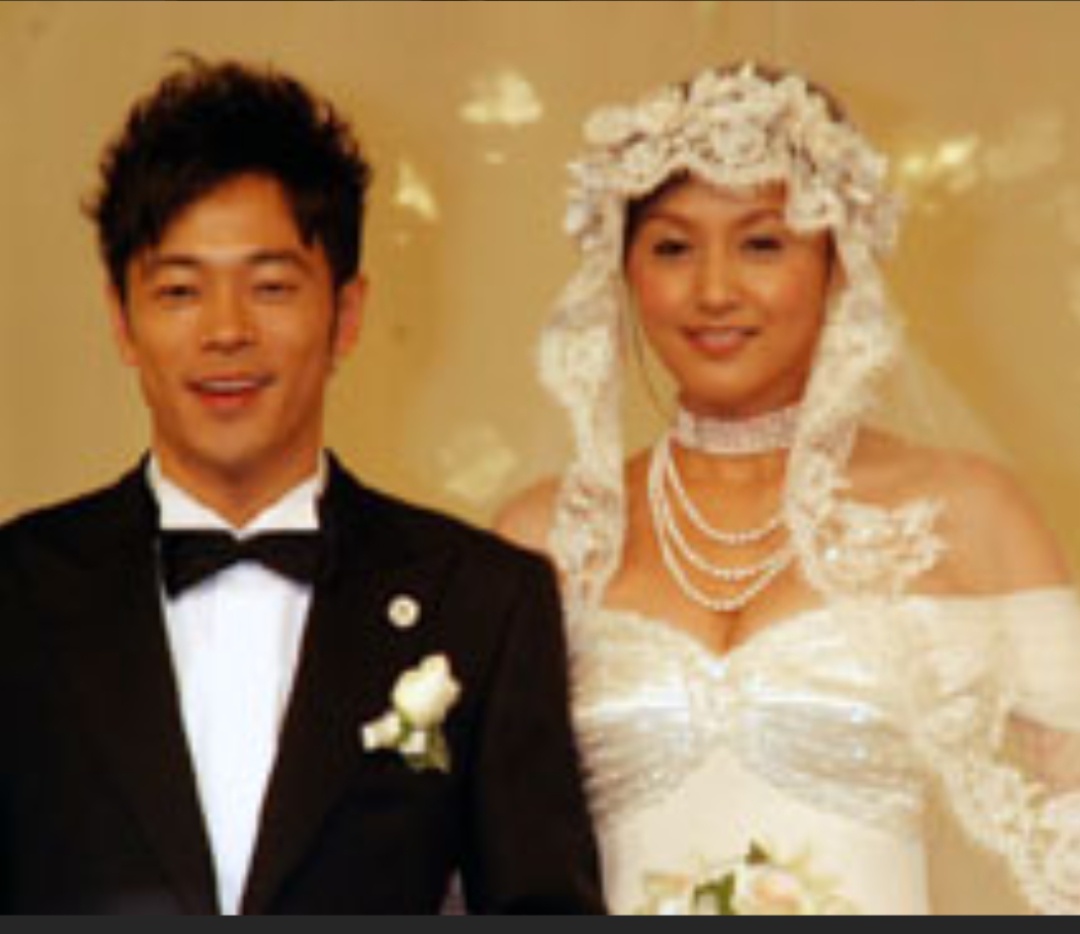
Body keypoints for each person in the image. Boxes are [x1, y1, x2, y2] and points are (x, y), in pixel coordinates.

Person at [0, 57, 604, 915]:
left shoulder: (482, 602)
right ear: (122, 321)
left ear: (346, 315)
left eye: (272, 287)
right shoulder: (20, 593)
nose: (226, 330)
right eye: (180, 290)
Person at [498, 63, 1080, 915]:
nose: (714, 291)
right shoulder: (545, 535)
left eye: (763, 244)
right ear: (623, 271)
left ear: (839, 264)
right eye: (672, 247)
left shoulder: (970, 513)